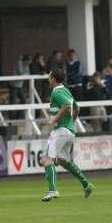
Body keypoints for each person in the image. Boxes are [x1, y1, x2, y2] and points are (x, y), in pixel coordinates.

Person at [40, 68, 94, 202]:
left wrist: (54, 119)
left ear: (53, 78)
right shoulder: (66, 90)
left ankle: (53, 190)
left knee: (47, 160)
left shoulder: (56, 92)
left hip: (61, 130)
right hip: (69, 131)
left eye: (49, 76)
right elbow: (76, 108)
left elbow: (66, 106)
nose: (48, 79)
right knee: (63, 161)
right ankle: (87, 185)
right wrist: (72, 122)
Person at [9, 54, 31, 119]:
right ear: (26, 60)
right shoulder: (19, 63)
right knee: (13, 101)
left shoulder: (27, 65)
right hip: (13, 85)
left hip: (20, 85)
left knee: (23, 100)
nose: (29, 63)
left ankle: (18, 115)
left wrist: (24, 74)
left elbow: (28, 74)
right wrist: (25, 74)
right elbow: (20, 73)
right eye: (28, 61)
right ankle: (11, 116)